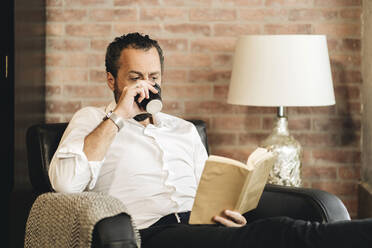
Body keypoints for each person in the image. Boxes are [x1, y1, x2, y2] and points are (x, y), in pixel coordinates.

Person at [49, 32, 372, 248]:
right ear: (111, 80)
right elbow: (65, 184)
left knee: (273, 229)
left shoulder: (183, 130)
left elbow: (209, 191)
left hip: (203, 228)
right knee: (282, 232)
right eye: (135, 78)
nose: (146, 86)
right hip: (148, 233)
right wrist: (118, 116)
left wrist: (229, 212)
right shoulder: (92, 120)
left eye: (154, 77)